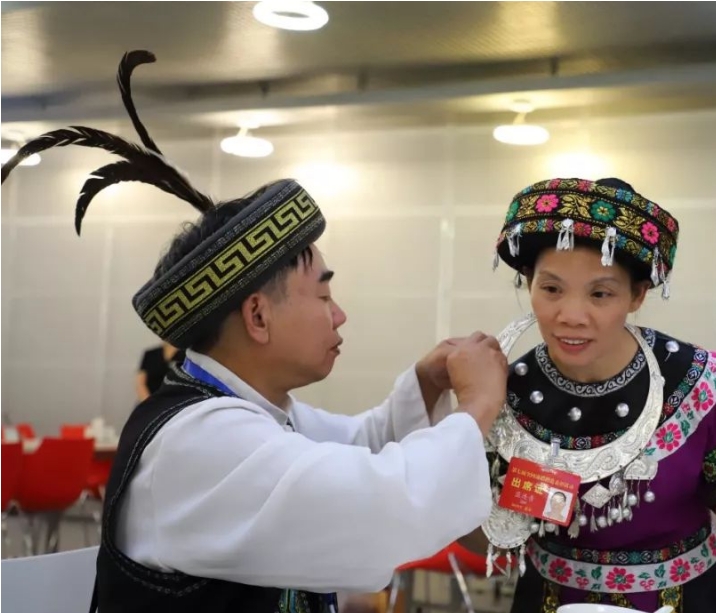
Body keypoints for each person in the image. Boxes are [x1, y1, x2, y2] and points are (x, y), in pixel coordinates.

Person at [1, 50, 508, 613]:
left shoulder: (253, 413)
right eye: (323, 296)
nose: (339, 315)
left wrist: (426, 383)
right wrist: (478, 405)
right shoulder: (199, 441)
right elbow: (371, 508)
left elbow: (360, 451)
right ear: (258, 316)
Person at [462, 177, 716, 613]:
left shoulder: (700, 381)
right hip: (551, 601)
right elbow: (485, 532)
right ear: (529, 284)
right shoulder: (505, 391)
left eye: (601, 293)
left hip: (685, 601)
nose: (571, 315)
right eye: (551, 289)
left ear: (637, 295)